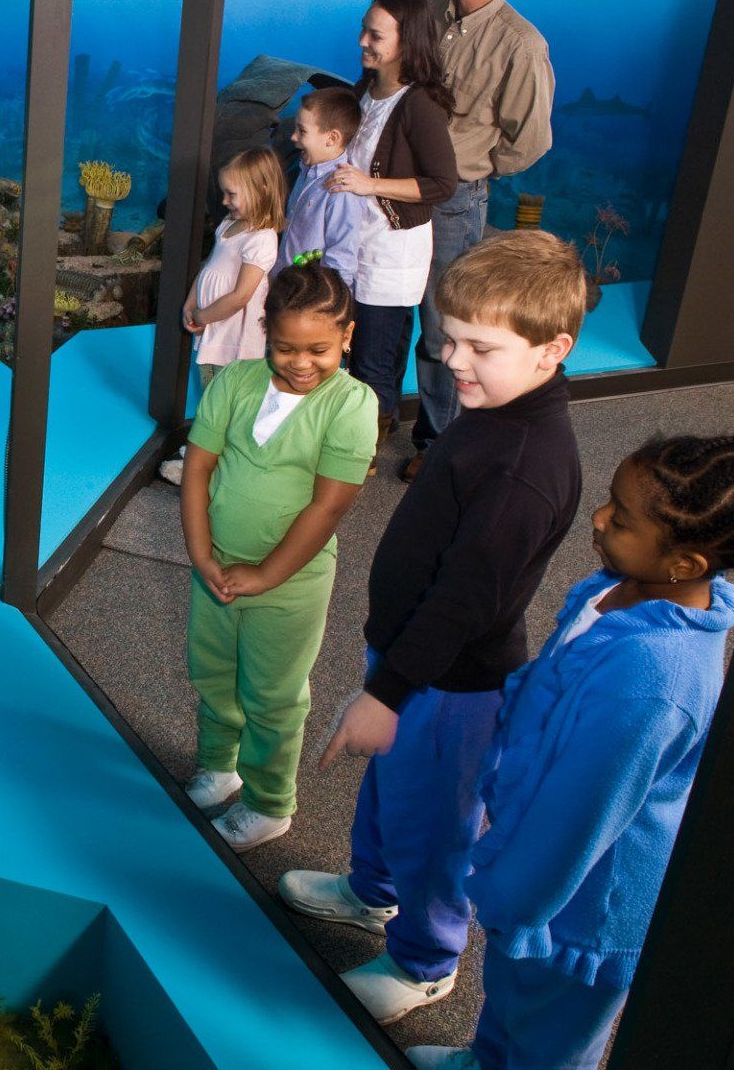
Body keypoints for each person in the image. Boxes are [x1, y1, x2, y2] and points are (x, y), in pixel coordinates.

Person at [278, 229, 585, 1024]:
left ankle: (424, 961)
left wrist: (386, 692)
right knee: (392, 794)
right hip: (413, 661)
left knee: (436, 826)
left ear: (553, 349)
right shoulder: (496, 405)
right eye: (450, 338)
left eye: (481, 347)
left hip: (451, 686)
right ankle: (372, 892)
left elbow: (463, 600)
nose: (453, 361)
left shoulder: (526, 465)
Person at [406, 435, 734, 1070]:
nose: (600, 518)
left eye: (622, 519)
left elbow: (579, 819)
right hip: (541, 859)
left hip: (584, 902)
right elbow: (554, 680)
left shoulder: (653, 685)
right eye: (611, 500)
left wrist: (513, 900)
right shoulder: (622, 587)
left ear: (685, 563)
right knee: (510, 997)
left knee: (550, 1033)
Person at [179, 258, 377, 851]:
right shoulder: (235, 382)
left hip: (290, 583)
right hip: (215, 569)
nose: (301, 363)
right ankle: (220, 766)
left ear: (347, 336)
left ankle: (270, 803)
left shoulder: (352, 404)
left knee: (272, 694)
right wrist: (202, 556)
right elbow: (198, 470)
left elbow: (328, 507)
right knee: (213, 673)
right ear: (266, 333)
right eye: (286, 348)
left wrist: (266, 575)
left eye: (319, 350)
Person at [405, 0, 556, 483]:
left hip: (452, 204)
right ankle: (371, 418)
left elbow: (529, 142)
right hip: (390, 189)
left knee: (443, 329)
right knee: (379, 310)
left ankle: (439, 441)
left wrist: (469, 167)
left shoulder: (522, 45)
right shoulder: (425, 12)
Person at [325, 0, 459, 474]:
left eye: (375, 35)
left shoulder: (418, 103)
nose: (362, 41)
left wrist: (369, 184)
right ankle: (362, 432)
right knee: (361, 347)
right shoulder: (365, 88)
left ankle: (359, 455)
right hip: (353, 248)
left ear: (407, 41)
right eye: (363, 30)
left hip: (390, 255)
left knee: (372, 359)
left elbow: (442, 183)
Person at [160, 148, 285, 486]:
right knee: (212, 396)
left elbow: (241, 296)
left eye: (232, 194)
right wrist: (191, 302)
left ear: (261, 189)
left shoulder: (262, 238)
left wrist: (203, 315)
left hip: (233, 338)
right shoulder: (229, 225)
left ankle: (211, 465)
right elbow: (209, 268)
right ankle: (207, 454)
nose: (225, 201)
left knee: (227, 402)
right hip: (213, 329)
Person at [281, 87, 367, 292]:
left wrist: (331, 302)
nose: (293, 137)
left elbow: (341, 256)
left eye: (302, 131)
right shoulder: (305, 170)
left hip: (308, 298)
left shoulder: (341, 190)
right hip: (285, 289)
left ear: (332, 138)